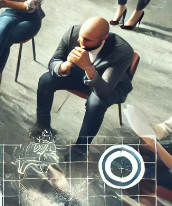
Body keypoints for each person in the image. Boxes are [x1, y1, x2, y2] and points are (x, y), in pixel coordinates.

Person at [32, 17, 134, 160]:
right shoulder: (73, 32)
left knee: (96, 103)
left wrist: (88, 68)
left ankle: (80, 149)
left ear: (104, 38)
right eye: (81, 37)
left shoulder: (122, 51)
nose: (81, 42)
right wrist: (63, 66)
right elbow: (54, 60)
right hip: (80, 73)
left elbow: (104, 91)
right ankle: (42, 126)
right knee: (46, 80)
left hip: (111, 85)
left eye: (87, 40)